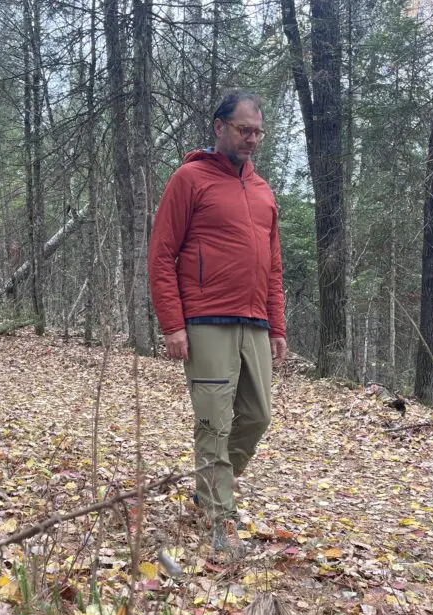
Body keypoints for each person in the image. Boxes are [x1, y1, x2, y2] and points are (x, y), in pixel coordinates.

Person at [148, 90, 288, 554]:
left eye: (257, 132)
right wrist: (173, 324)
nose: (251, 139)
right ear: (219, 127)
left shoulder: (262, 190)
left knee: (258, 415)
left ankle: (209, 488)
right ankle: (218, 519)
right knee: (213, 421)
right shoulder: (189, 179)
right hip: (205, 320)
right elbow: (162, 255)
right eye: (243, 129)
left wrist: (278, 326)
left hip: (254, 322)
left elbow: (273, 264)